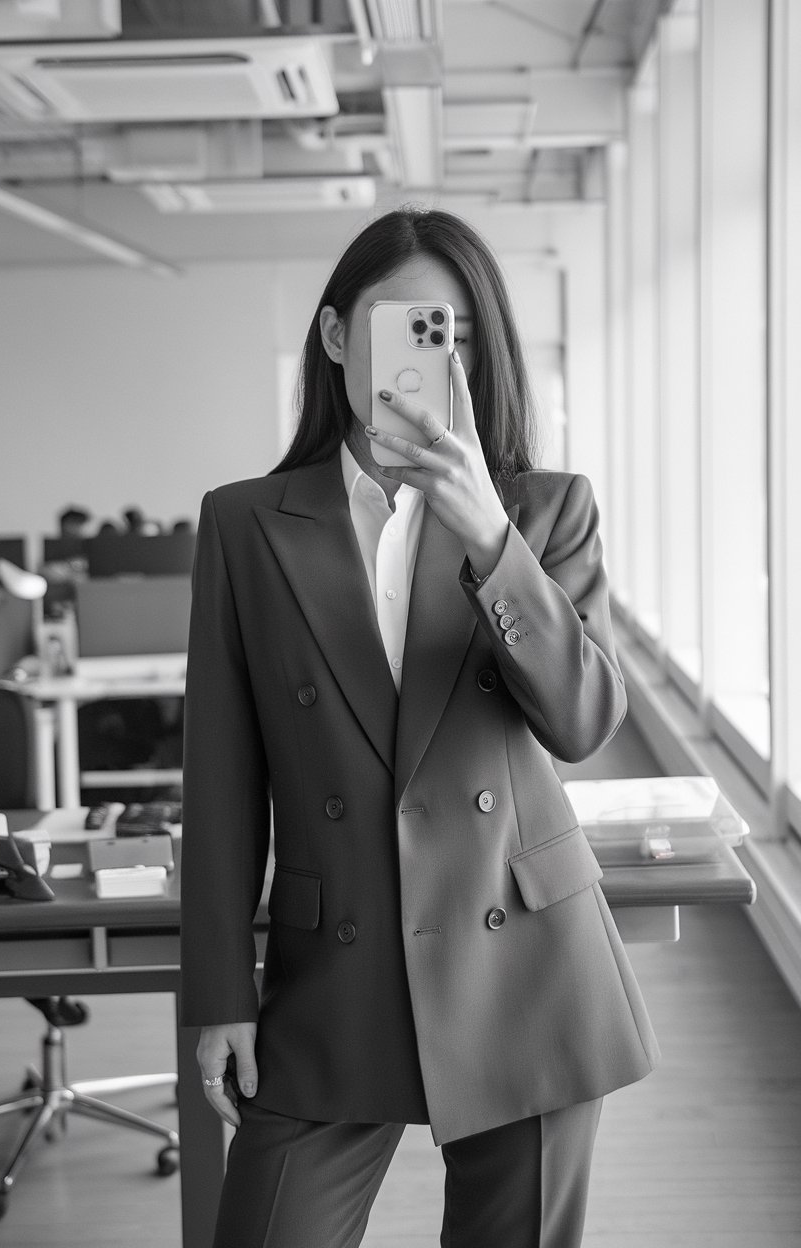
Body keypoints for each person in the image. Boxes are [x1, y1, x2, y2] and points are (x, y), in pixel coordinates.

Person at [180, 207, 659, 1248]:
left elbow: (583, 722)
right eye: (406, 322)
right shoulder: (244, 522)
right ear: (338, 335)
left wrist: (489, 534)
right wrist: (218, 994)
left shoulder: (543, 510)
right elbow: (219, 776)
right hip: (329, 971)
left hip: (521, 964)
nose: (432, 351)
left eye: (457, 330)